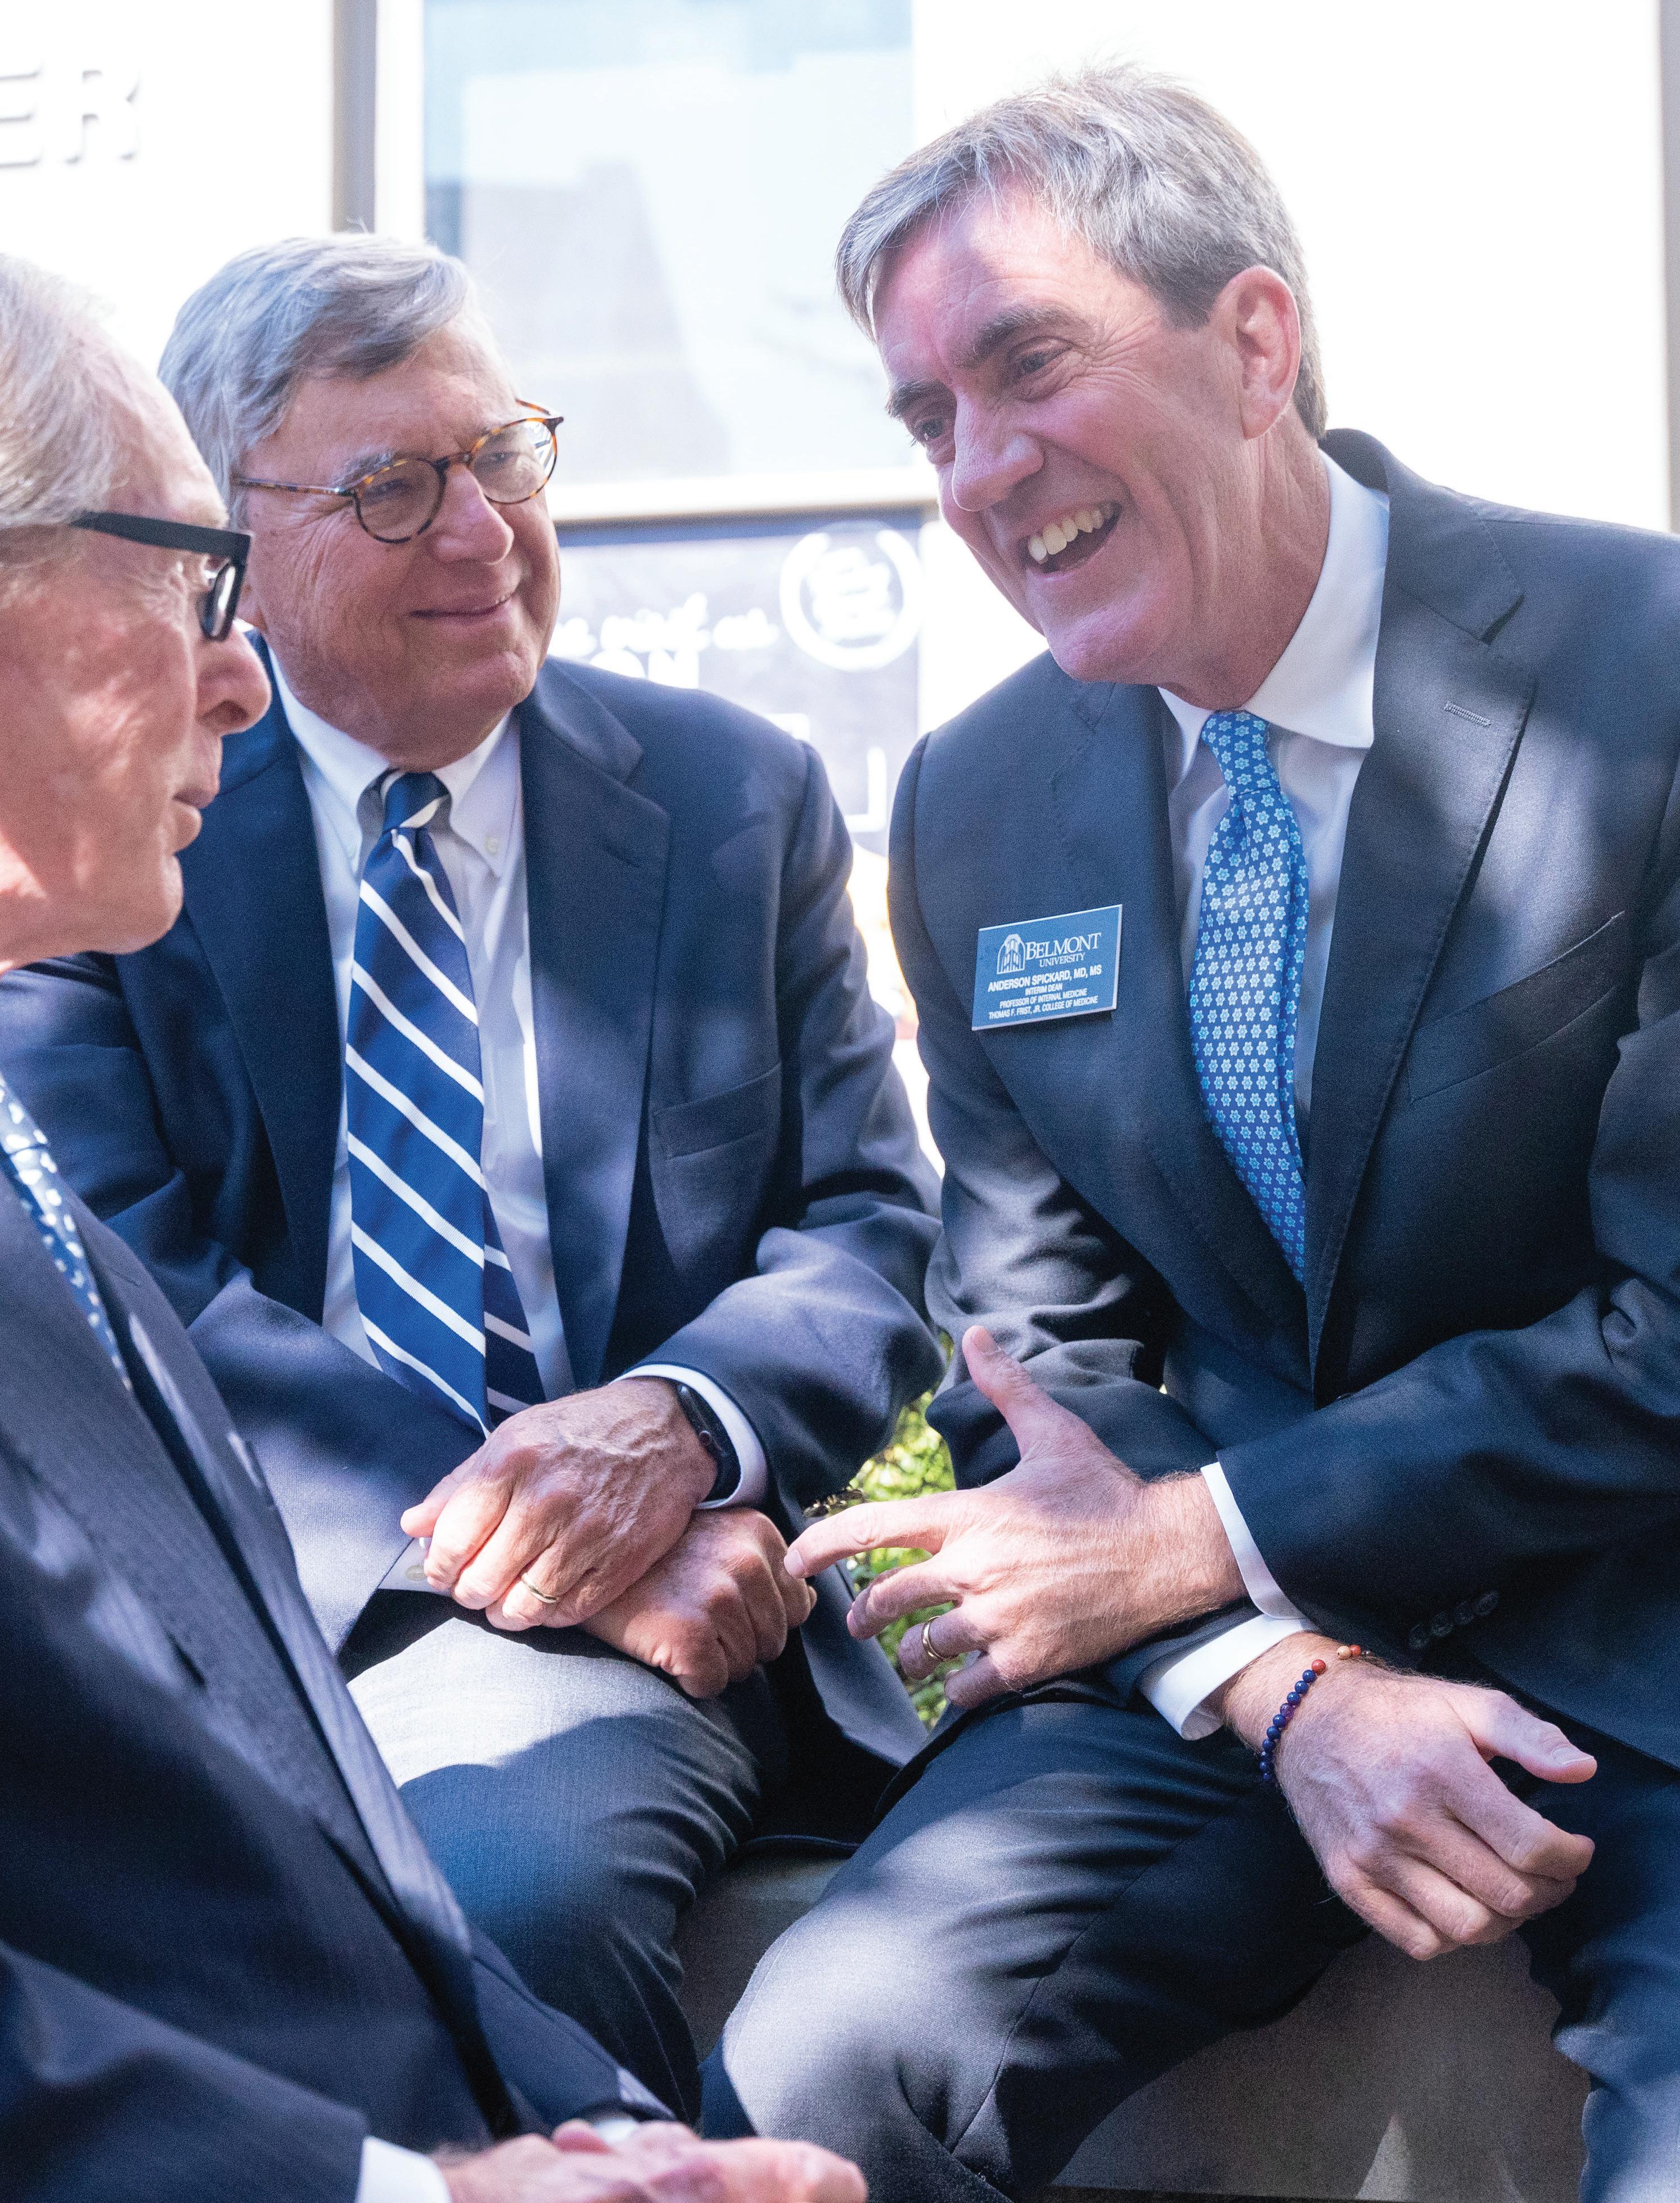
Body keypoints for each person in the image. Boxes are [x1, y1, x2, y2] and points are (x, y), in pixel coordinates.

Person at [708, 65, 1680, 2203]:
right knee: (816, 2066)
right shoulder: (976, 800)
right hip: (1237, 1671)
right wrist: (1266, 1664)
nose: (978, 470)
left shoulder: (1649, 670)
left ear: (1252, 342)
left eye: (1025, 366)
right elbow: (1036, 1355)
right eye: (927, 417)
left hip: (1646, 1616)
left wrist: (1202, 1533)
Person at [0, 233, 942, 2120]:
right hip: (311, 1593)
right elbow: (126, 1286)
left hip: (703, 1602)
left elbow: (869, 1222)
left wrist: (676, 1429)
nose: (482, 530)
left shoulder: (733, 792)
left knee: (529, 1902)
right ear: (228, 540)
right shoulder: (95, 825)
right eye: (393, 487)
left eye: (503, 454)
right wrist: (547, 1539)